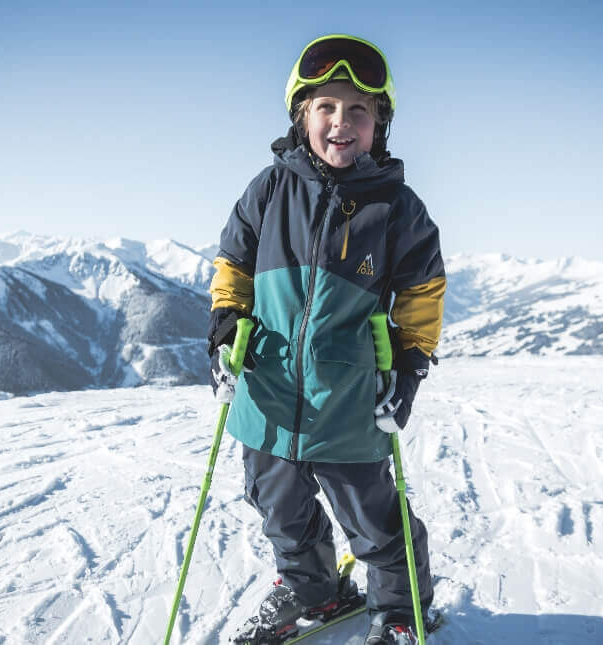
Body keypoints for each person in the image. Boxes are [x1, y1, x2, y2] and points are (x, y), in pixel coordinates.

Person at [208, 34, 446, 645]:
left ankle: (399, 607)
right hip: (266, 385)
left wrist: (411, 364)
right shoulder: (268, 188)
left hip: (348, 396)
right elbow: (233, 265)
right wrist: (228, 323)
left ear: (379, 125)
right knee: (278, 505)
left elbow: (422, 296)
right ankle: (314, 590)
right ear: (302, 117)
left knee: (372, 517)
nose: (342, 122)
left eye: (359, 111)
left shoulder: (398, 209)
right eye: (327, 108)